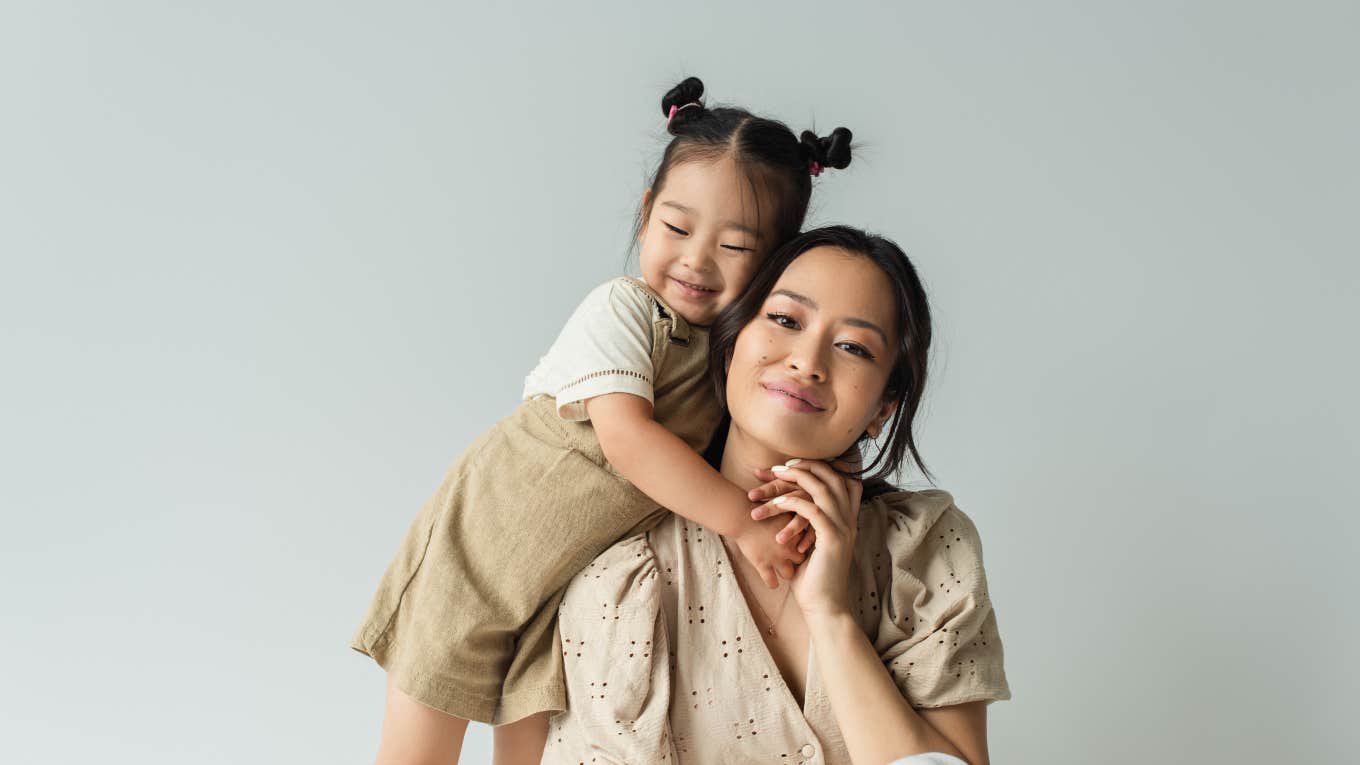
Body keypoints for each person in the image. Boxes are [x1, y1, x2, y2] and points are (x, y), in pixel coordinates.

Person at [350, 77, 854, 763]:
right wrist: (740, 518)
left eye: (735, 247)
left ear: (775, 263)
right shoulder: (624, 311)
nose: (696, 259)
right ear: (646, 213)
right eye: (677, 227)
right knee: (420, 748)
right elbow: (626, 439)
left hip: (555, 588)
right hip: (478, 551)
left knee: (531, 747)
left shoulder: (731, 364)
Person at [544, 227, 1011, 764]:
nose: (808, 361)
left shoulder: (926, 549)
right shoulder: (622, 575)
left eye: (854, 348)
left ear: (885, 406)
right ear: (729, 346)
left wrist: (830, 615)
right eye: (786, 320)